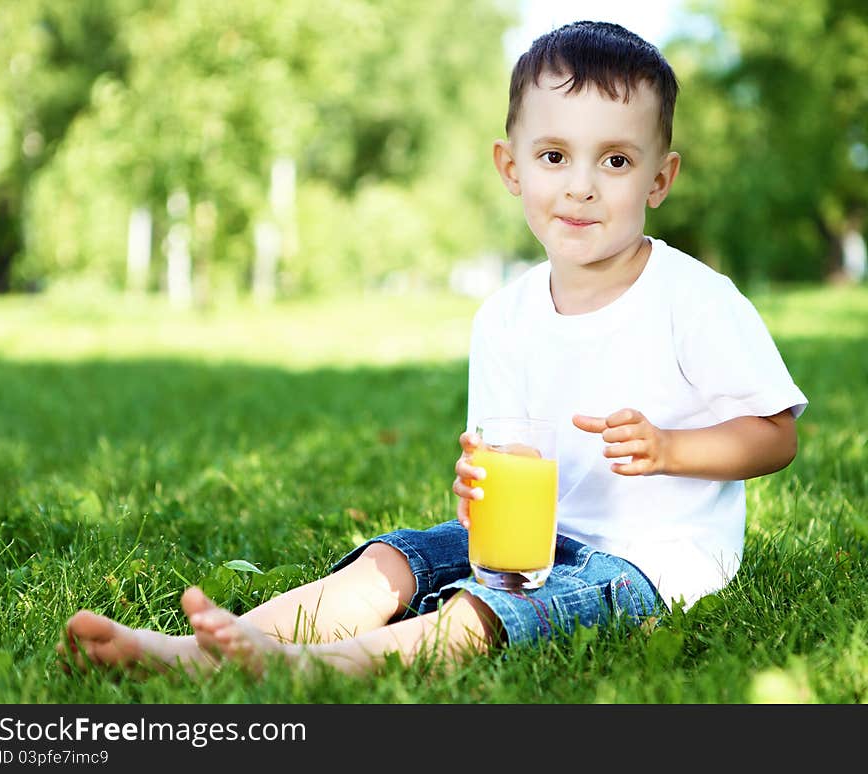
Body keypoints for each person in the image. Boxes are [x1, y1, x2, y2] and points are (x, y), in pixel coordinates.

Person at [57, 20, 808, 679]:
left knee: (484, 613)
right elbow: (503, 459)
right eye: (553, 156)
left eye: (614, 161)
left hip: (652, 560)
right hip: (533, 538)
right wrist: (476, 489)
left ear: (659, 179)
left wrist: (670, 449)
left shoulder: (694, 299)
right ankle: (211, 647)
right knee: (395, 561)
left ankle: (319, 669)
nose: (581, 187)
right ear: (511, 168)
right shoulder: (504, 318)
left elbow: (776, 436)